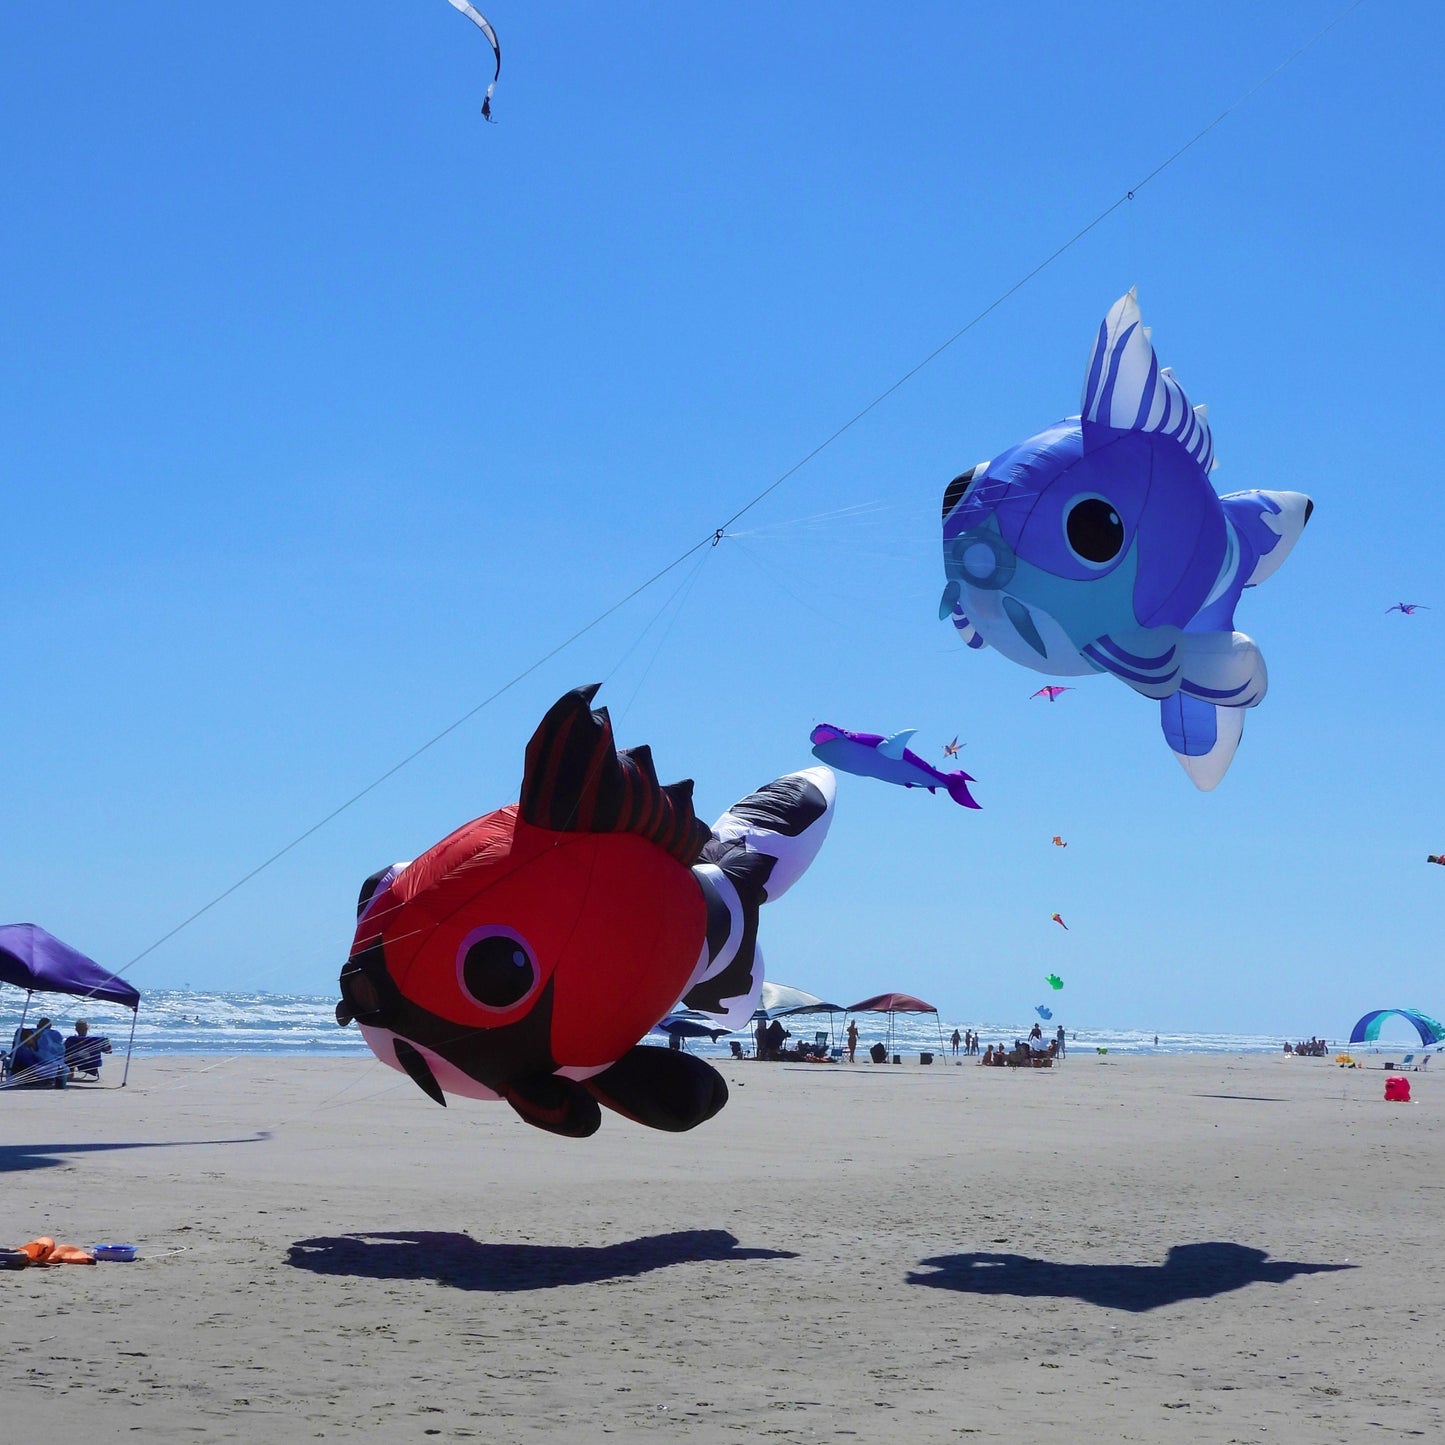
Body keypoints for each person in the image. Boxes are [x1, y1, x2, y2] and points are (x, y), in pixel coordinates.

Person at [32, 1017, 68, 1088]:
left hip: (31, 1065)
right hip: (51, 1067)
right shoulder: (55, 1035)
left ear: (37, 1026)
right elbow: (61, 1052)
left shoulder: (27, 1035)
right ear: (50, 1027)